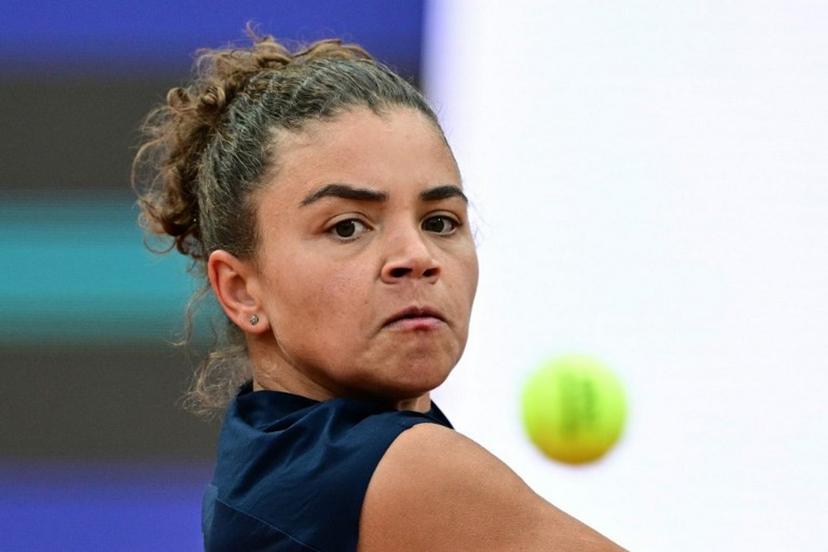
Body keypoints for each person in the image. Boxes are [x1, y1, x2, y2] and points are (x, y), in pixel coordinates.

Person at [132, 28, 625, 551]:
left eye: (439, 221)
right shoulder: (410, 472)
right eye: (347, 226)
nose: (417, 257)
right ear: (241, 291)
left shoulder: (261, 465)